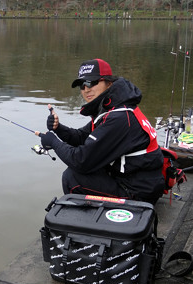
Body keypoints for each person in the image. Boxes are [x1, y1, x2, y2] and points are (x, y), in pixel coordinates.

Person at [36, 59, 165, 204]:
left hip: (138, 193)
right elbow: (82, 137)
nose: (86, 89)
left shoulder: (120, 117)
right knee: (83, 170)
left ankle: (85, 223)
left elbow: (81, 160)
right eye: (81, 85)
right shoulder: (112, 108)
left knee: (72, 177)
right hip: (128, 180)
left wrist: (53, 142)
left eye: (92, 82)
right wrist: (58, 129)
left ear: (109, 83)